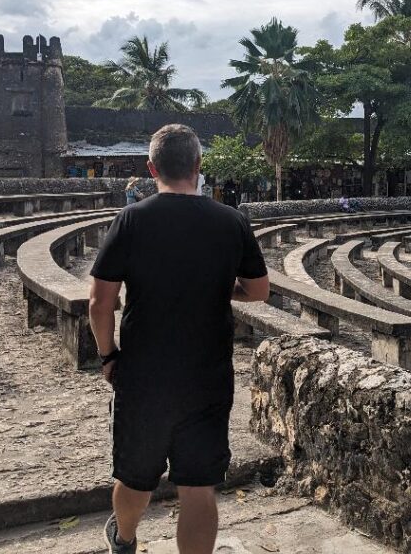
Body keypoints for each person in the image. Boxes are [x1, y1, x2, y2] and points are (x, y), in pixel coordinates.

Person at [89, 124, 270, 554]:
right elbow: (259, 291)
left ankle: (125, 540)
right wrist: (216, 283)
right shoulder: (231, 221)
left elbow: (100, 302)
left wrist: (108, 355)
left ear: (151, 167)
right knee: (198, 487)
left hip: (143, 375)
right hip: (207, 376)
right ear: (198, 166)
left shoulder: (131, 219)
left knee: (134, 476)